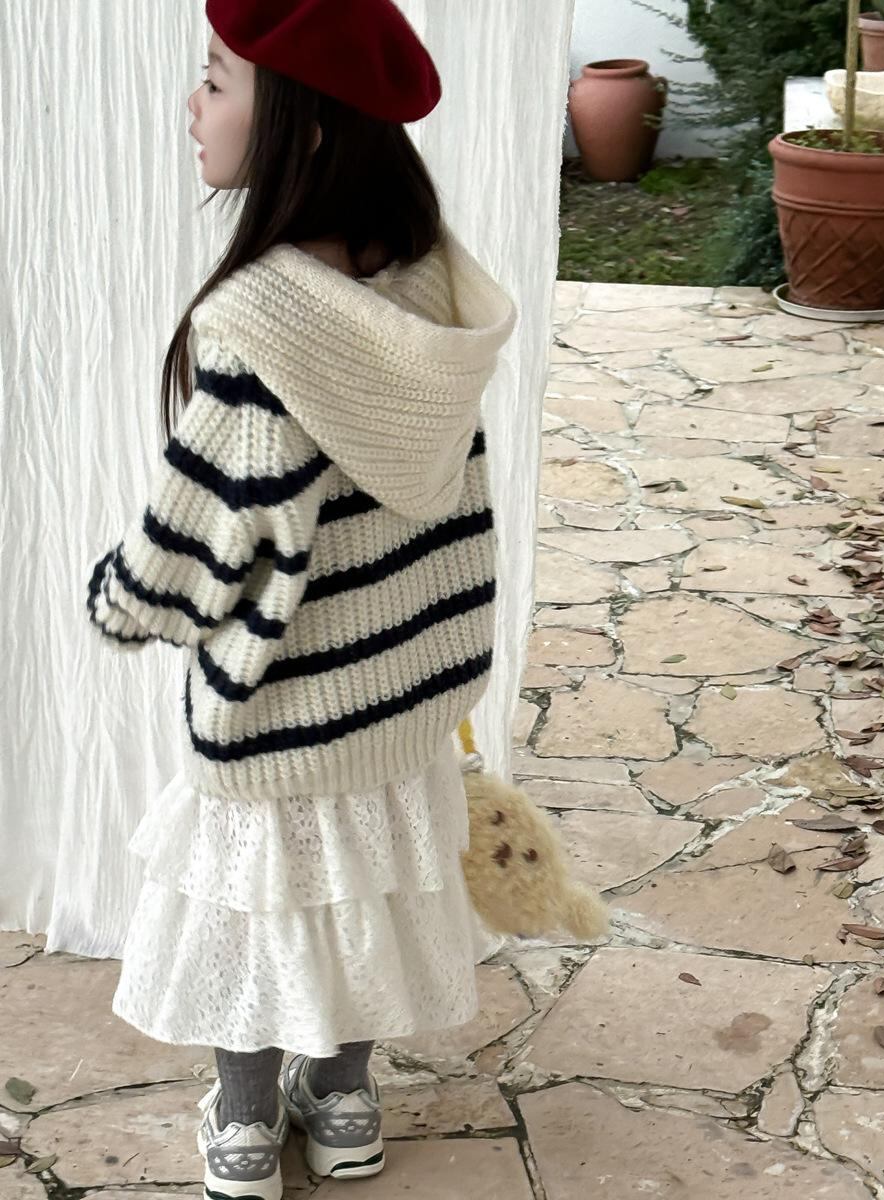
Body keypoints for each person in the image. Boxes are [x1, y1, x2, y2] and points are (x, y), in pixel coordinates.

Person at [83, 0, 517, 1195]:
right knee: (367, 892)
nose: (192, 105)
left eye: (216, 81)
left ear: (304, 129)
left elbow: (205, 535)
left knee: (259, 908)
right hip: (399, 688)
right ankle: (343, 1101)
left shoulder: (260, 323)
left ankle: (241, 1120)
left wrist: (119, 599)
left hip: (281, 705)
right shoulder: (429, 289)